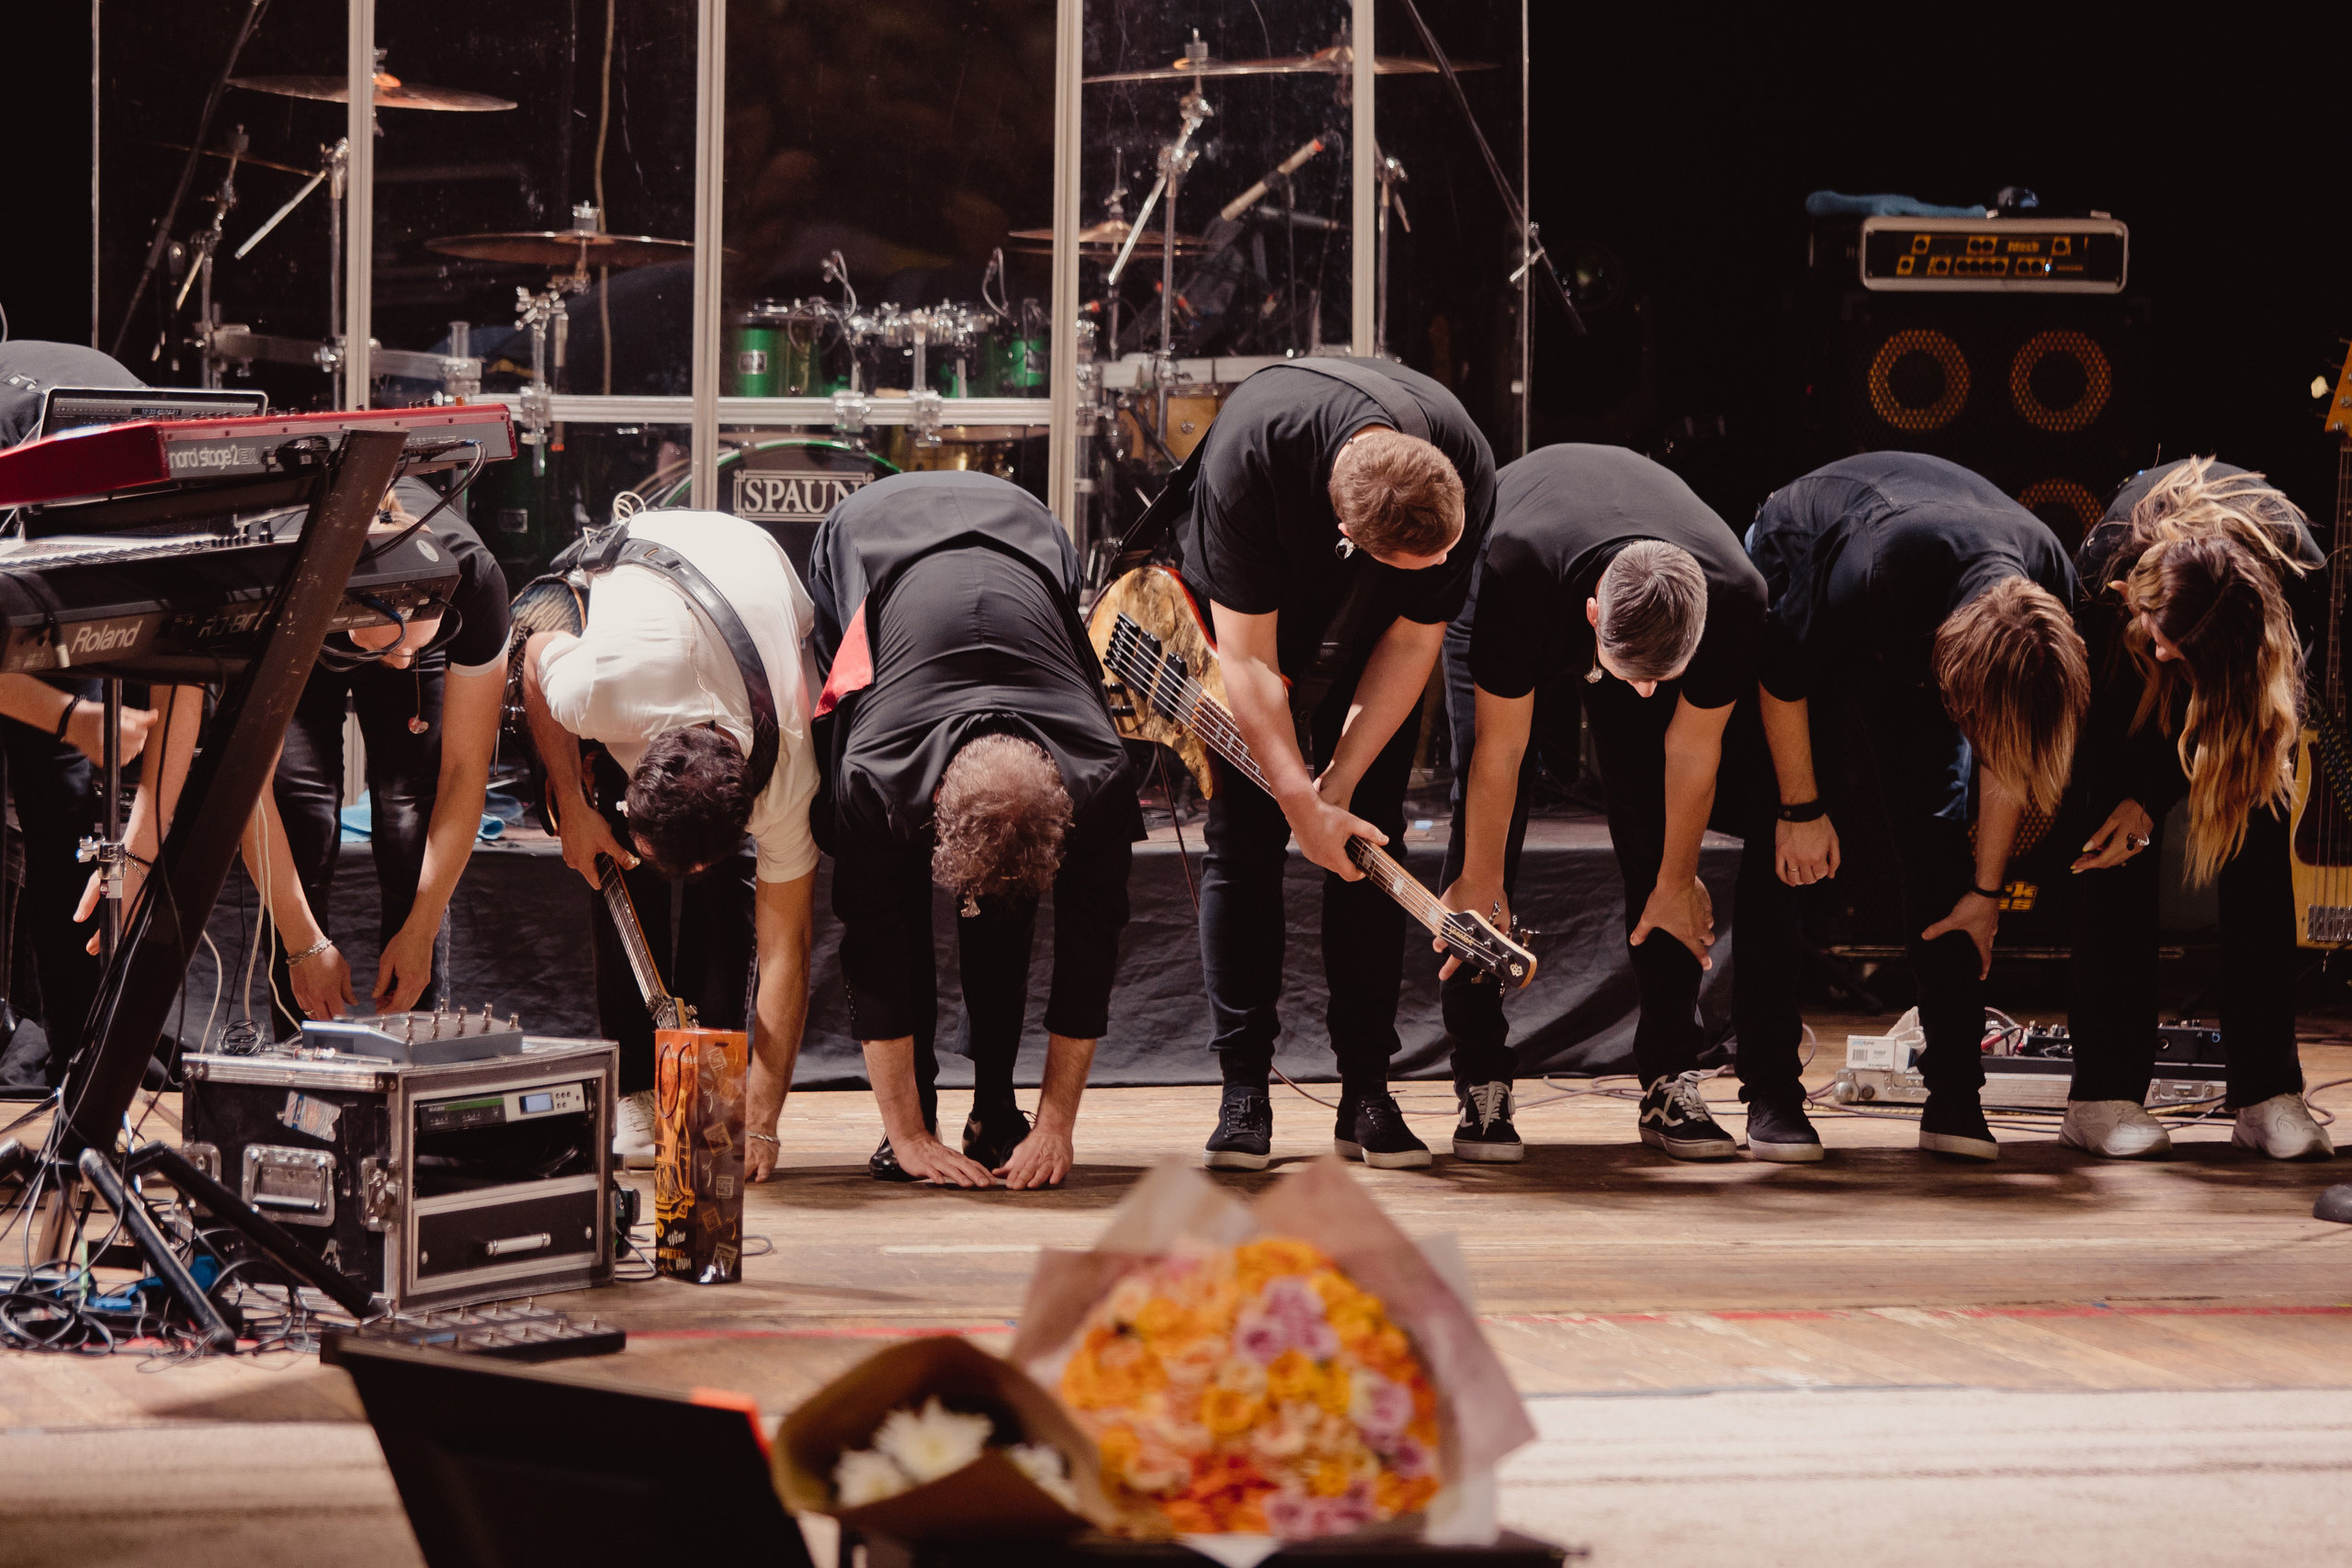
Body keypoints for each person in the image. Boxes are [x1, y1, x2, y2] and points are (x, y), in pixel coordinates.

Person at [1152, 356, 1494, 1172]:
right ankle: (1244, 1092)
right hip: (1257, 613)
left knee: (1369, 847)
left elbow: (1414, 638)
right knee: (1243, 837)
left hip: (1377, 630)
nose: (1447, 572)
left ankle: (1367, 1090)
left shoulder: (1463, 462)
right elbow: (1249, 664)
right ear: (1353, 541)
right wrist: (1301, 804)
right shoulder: (1252, 458)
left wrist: (1337, 783)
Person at [1738, 452, 2089, 1162]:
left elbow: (2008, 750)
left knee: (1938, 840)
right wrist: (1802, 807)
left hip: (1932, 605)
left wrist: (1985, 891)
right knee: (1784, 849)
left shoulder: (2053, 584)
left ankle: (1955, 1094)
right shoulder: (1877, 573)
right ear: (1949, 677)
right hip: (1804, 563)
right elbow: (1781, 675)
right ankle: (1770, 1090)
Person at [1437, 445, 1768, 1162]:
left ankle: (1671, 1075)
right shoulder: (1513, 572)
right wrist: (1482, 882)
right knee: (1480, 851)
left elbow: (1694, 752)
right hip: (1517, 577)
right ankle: (1481, 1080)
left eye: (1663, 680)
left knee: (1659, 835)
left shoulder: (1736, 594)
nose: (1648, 694)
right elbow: (1500, 753)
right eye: (1635, 678)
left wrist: (1677, 882)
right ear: (1591, 616)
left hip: (1641, 591)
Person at [807, 471, 1136, 1189]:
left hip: (1027, 533)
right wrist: (908, 1133)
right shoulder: (875, 775)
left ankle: (997, 1109)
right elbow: (872, 938)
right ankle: (917, 1112)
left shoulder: (1100, 774)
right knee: (890, 893)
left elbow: (1091, 947)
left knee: (999, 893)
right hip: (870, 538)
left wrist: (1057, 1125)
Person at [520, 509, 819, 1184]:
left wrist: (761, 1122)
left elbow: (786, 954)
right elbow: (535, 657)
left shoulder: (791, 775)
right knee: (620, 873)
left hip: (757, 567)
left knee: (737, 903)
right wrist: (572, 804)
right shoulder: (601, 691)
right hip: (645, 563)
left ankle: (711, 1093)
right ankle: (636, 1085)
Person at [2061, 458, 2332, 1160]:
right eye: (2161, 638)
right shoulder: (2107, 563)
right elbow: (2094, 717)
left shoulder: (2295, 564)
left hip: (2248, 682)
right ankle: (2101, 1093)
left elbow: (2268, 696)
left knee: (2262, 830)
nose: (2164, 652)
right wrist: (2141, 798)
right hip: (2124, 692)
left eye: (2176, 649)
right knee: (2113, 836)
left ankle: (2267, 1091)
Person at [237, 480, 511, 1036]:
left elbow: (464, 771)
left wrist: (421, 931)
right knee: (304, 814)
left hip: (389, 615)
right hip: (303, 622)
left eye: (415, 645)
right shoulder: (272, 582)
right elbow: (245, 790)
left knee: (411, 820)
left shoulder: (476, 582)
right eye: (391, 647)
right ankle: (297, 1058)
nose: (402, 660)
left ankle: (411, 1046)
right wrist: (299, 942)